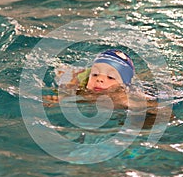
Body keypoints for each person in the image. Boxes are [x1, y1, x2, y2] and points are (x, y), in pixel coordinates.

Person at [43, 49, 171, 127]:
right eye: (95, 75)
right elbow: (76, 94)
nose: (99, 79)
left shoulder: (126, 99)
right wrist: (61, 98)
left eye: (110, 77)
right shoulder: (84, 89)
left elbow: (165, 114)